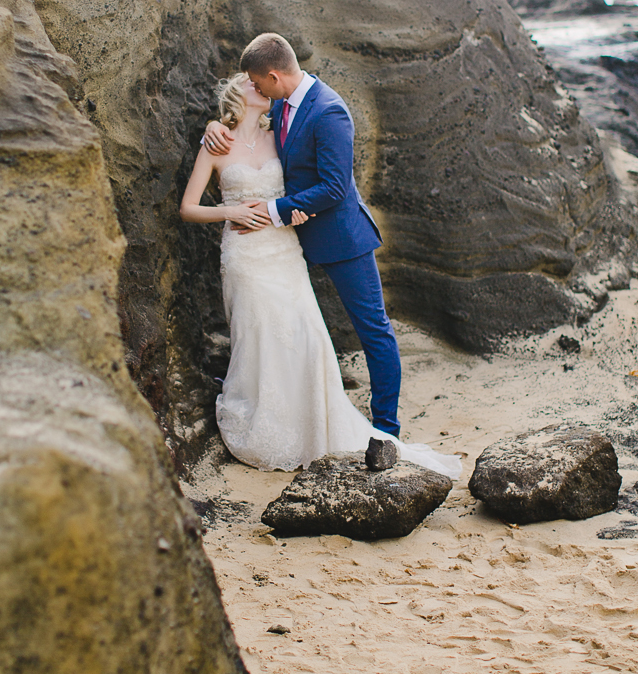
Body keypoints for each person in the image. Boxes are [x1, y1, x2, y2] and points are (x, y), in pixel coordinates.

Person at [182, 42, 459, 476]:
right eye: (248, 86)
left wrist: (269, 212)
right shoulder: (280, 113)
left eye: (256, 81)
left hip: (338, 237)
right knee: (282, 333)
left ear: (273, 78)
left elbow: (334, 187)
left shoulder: (328, 109)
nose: (254, 87)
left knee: (373, 329)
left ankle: (386, 429)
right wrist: (213, 127)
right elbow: (241, 143)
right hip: (278, 247)